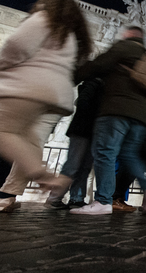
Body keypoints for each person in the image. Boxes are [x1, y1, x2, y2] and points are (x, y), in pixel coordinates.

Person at [0, 0, 92, 212]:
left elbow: (15, 46)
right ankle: (6, 196)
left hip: (33, 88)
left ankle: (46, 177)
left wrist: (0, 68)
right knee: (32, 144)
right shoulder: (72, 37)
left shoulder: (45, 18)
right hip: (58, 98)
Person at [71, 26, 146, 215]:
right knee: (130, 154)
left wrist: (72, 76)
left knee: (105, 152)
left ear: (129, 35)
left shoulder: (125, 47)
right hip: (142, 115)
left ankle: (103, 200)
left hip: (118, 107)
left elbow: (98, 64)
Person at [44, 78, 103, 209]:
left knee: (84, 167)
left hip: (90, 131)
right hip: (82, 130)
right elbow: (83, 102)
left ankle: (77, 198)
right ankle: (54, 198)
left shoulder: (97, 85)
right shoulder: (94, 84)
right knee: (73, 165)